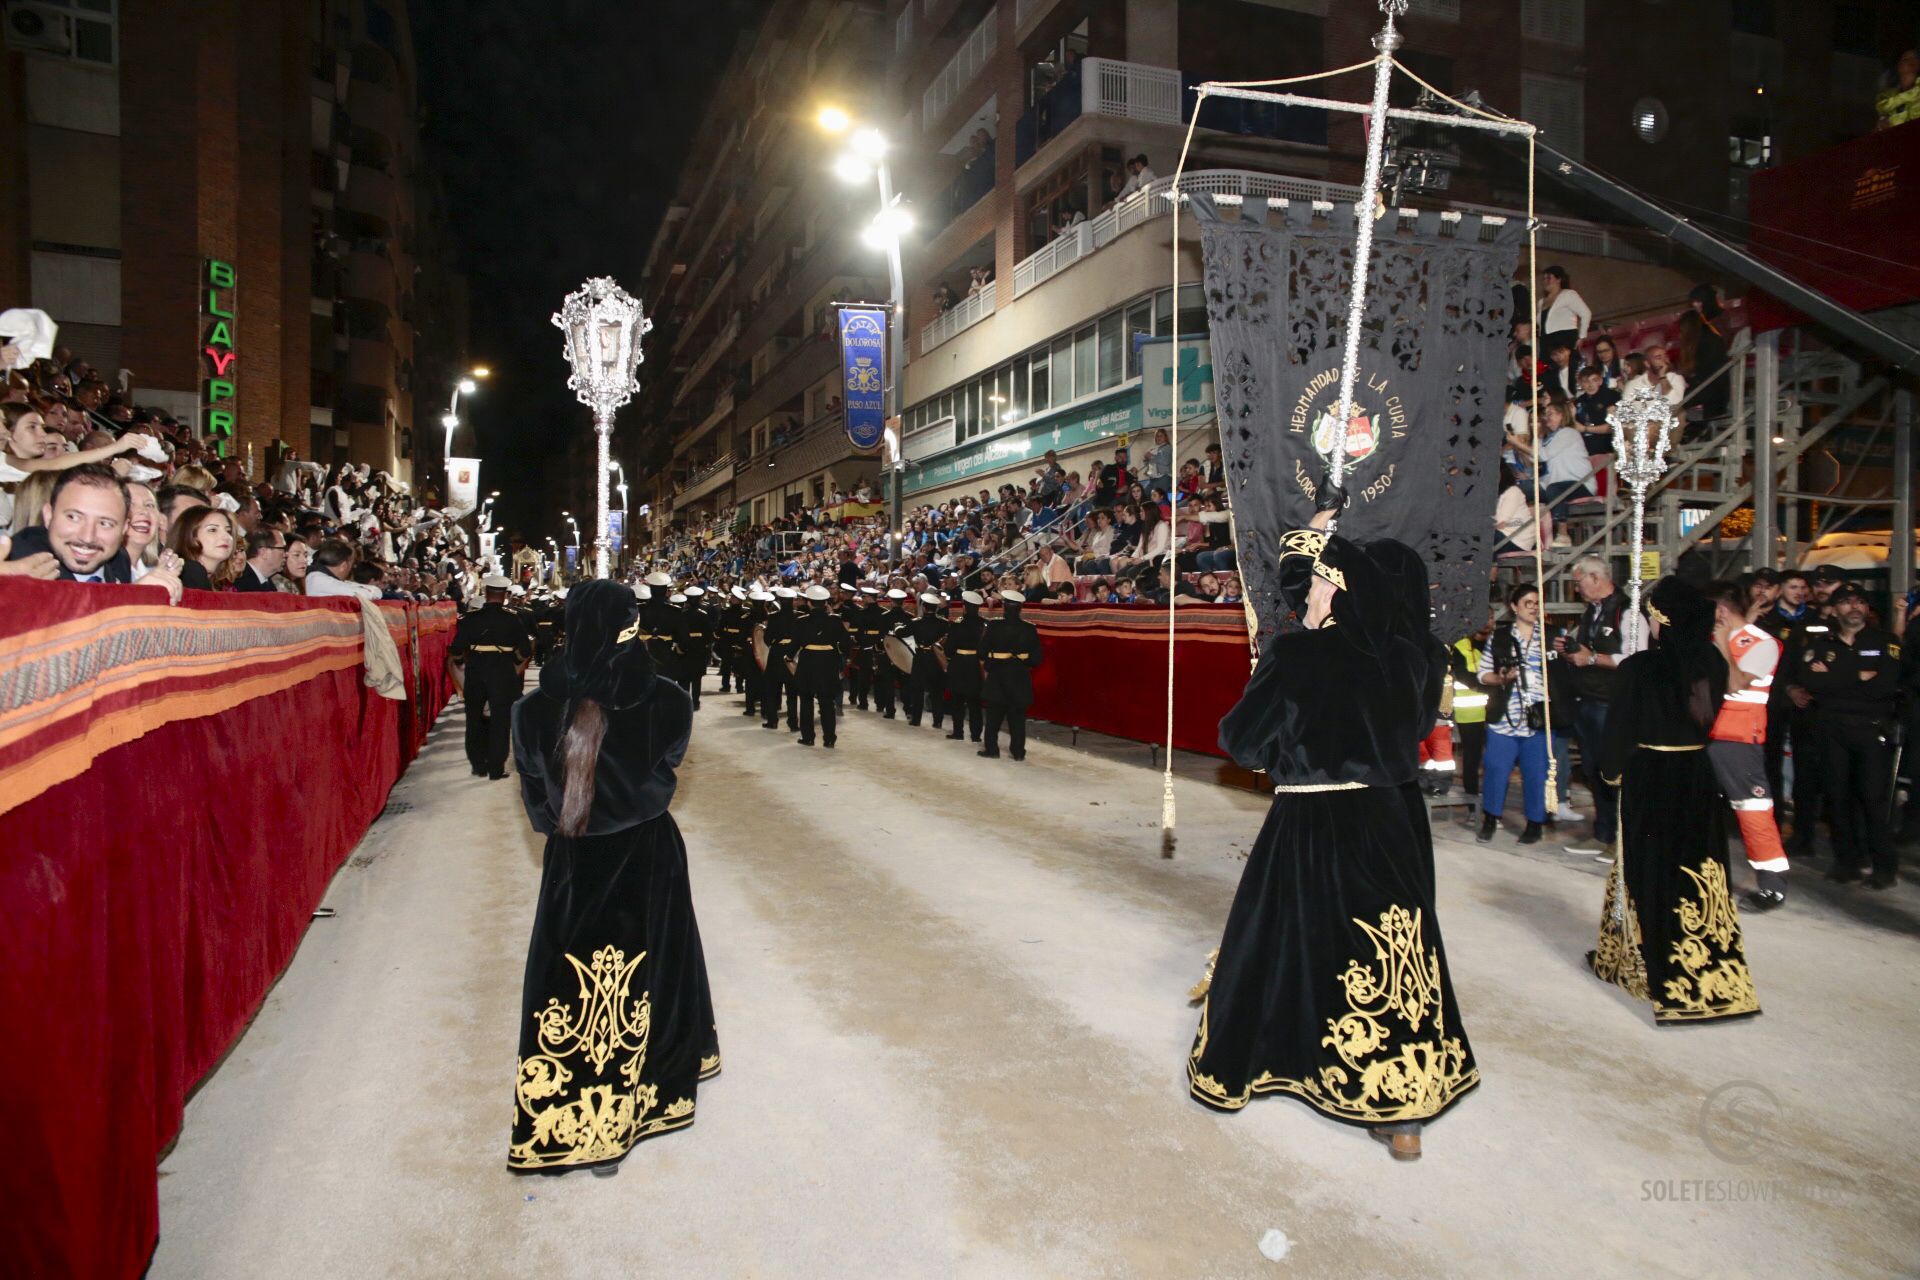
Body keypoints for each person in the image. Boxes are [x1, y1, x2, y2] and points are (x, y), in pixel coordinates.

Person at [1187, 524, 1477, 1161]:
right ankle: (1404, 1118)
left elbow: (1239, 741)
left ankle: (1271, 1059)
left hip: (1312, 822)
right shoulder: (1417, 656)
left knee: (1285, 940)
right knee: (1393, 954)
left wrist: (1285, 727)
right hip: (1390, 819)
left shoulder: (1297, 656)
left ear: (1344, 594)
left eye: (1320, 584)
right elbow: (1419, 725)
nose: (1310, 595)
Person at [506, 579, 720, 1174]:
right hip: (648, 851)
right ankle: (650, 1094)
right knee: (654, 963)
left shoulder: (529, 710)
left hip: (574, 860)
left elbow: (537, 802)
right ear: (631, 625)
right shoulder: (671, 700)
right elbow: (667, 765)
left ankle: (571, 1117)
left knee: (568, 977)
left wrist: (568, 820)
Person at [1588, 577, 1759, 1025]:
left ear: (1663, 619)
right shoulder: (1712, 662)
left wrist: (1610, 773)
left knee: (1650, 868)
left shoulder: (1639, 669)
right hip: (1698, 774)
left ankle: (1651, 967)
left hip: (1651, 775)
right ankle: (1711, 968)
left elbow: (1619, 731)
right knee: (1698, 867)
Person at [1798, 583, 1902, 888]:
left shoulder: (1885, 641)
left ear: (1867, 608)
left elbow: (1885, 684)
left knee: (1872, 798)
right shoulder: (1821, 643)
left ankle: (1883, 865)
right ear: (1834, 609)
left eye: (1859, 602)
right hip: (1831, 728)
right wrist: (1858, 674)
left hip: (1871, 729)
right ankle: (1847, 861)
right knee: (1837, 797)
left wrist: (1834, 675)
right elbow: (1810, 681)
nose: (1853, 607)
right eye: (1845, 602)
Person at [1705, 580, 1791, 910]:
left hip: (1738, 740)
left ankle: (1773, 885)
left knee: (1752, 810)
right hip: (1704, 735)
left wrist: (1723, 644)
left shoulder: (1766, 643)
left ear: (1722, 611)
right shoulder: (1714, 638)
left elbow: (1737, 681)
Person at [1558, 556, 1629, 855]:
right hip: (1587, 700)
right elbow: (1587, 652)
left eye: (1579, 581)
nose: (1576, 588)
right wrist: (1571, 652)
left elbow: (1633, 658)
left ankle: (1621, 839)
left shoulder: (1626, 610)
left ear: (1597, 577)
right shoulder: (1592, 612)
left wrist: (1590, 658)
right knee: (1592, 769)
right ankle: (1602, 832)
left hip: (1611, 704)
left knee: (1614, 771)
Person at [1477, 582, 1551, 843]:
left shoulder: (1551, 636)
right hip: (1505, 718)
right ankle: (1490, 817)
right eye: (1528, 603)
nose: (1533, 608)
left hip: (1538, 719)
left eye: (1537, 603)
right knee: (1496, 769)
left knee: (1536, 772)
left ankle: (1535, 822)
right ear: (1514, 607)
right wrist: (1500, 679)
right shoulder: (1500, 637)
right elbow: (1482, 673)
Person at [448, 574, 534, 779]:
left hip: (476, 670)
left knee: (474, 718)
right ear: (504, 595)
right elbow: (524, 650)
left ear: (485, 593)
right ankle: (496, 768)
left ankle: (478, 764)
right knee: (500, 721)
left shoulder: (470, 619)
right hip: (502, 671)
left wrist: (464, 659)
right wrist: (512, 659)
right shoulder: (512, 619)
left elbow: (457, 650)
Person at [5, 463, 133, 582]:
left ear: (124, 529)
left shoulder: (119, 561)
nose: (87, 538)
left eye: (105, 524)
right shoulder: (18, 560)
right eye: (73, 517)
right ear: (48, 515)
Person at [978, 589, 1043, 760]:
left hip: (998, 678)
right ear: (1020, 608)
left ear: (1004, 607)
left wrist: (993, 661)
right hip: (1019, 679)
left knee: (993, 719)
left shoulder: (994, 625)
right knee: (1017, 721)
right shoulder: (1030, 629)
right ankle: (1018, 752)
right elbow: (1037, 659)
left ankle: (992, 749)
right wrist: (1021, 661)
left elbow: (982, 652)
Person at [792, 584, 850, 747]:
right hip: (828, 665)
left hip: (807, 664)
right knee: (827, 702)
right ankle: (829, 739)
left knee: (806, 701)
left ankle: (808, 737)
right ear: (825, 603)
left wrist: (788, 656)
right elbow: (846, 644)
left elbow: (794, 645)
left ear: (809, 602)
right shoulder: (835, 621)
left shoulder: (801, 621)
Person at [1537, 265, 1591, 353]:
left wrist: (1582, 336)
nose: (1545, 281)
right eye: (1544, 278)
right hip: (1546, 341)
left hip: (1564, 339)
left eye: (1549, 278)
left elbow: (1586, 313)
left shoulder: (1568, 295)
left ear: (1559, 279)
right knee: (1544, 366)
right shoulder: (1541, 302)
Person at [232, 528, 286, 592]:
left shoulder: (267, 583)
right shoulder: (239, 582)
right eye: (282, 548)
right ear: (264, 552)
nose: (286, 554)